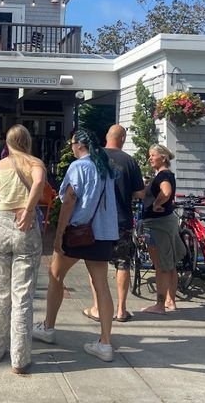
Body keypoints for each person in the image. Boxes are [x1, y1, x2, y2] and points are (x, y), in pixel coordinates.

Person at [33, 129, 119, 362]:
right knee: (101, 286)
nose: (70, 148)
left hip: (78, 231)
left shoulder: (79, 167)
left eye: (71, 143)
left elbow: (69, 201)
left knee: (55, 276)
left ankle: (48, 327)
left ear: (79, 145)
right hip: (103, 233)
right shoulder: (106, 167)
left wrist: (59, 232)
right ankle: (105, 342)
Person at [0, 125, 45, 375]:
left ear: (6, 144)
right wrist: (28, 209)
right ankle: (20, 358)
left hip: (0, 224)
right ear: (27, 141)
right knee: (22, 295)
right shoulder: (34, 163)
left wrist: (5, 203)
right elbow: (39, 183)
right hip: (25, 228)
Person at [83, 125, 144, 323]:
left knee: (96, 263)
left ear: (106, 137)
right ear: (123, 138)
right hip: (122, 220)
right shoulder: (129, 161)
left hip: (97, 221)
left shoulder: (93, 158)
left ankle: (97, 307)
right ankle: (121, 310)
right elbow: (139, 193)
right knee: (123, 264)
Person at [137, 144, 183, 315]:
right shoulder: (166, 174)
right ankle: (171, 301)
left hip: (157, 225)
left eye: (152, 155)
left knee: (161, 266)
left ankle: (159, 305)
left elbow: (166, 191)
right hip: (167, 222)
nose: (150, 158)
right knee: (169, 264)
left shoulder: (163, 175)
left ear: (163, 157)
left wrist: (156, 203)